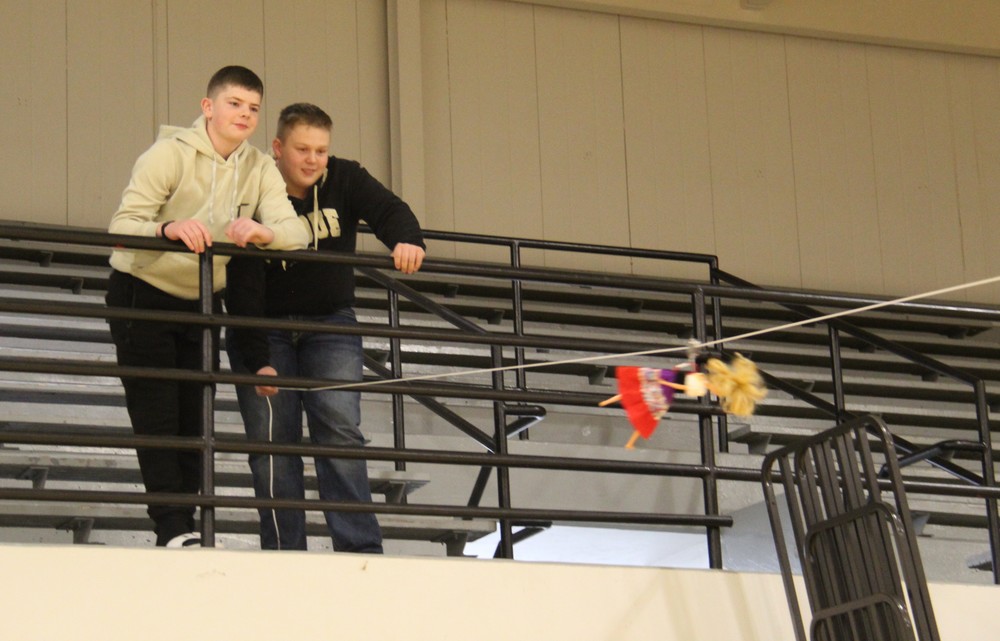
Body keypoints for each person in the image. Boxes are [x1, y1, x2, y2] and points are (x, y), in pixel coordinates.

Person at [105, 66, 310, 548]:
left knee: (196, 418)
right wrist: (168, 228)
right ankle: (172, 527)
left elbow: (296, 233)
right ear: (208, 107)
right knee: (158, 415)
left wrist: (263, 231)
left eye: (253, 108)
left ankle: (187, 526)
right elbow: (121, 226)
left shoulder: (259, 167)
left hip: (202, 300)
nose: (245, 114)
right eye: (234, 103)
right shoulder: (168, 154)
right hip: (142, 291)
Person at [226, 102, 426, 552]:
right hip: (263, 325)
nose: (313, 159)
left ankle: (359, 551)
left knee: (340, 431)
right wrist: (256, 357)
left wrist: (408, 240)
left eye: (321, 150)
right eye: (303, 149)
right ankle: (284, 552)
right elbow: (240, 278)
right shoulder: (251, 183)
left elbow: (389, 209)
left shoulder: (345, 177)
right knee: (272, 442)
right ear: (278, 147)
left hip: (331, 322)